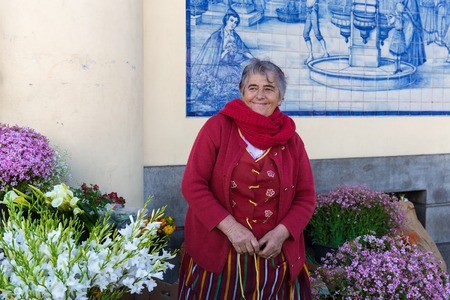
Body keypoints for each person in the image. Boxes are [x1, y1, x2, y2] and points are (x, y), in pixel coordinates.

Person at [178, 58, 316, 299]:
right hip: (220, 256)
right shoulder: (217, 128)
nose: (260, 95)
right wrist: (232, 229)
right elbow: (193, 185)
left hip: (274, 257)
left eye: (269, 88)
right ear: (242, 92)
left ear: (280, 97)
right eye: (253, 88)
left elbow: (305, 197)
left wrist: (282, 233)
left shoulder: (292, 140)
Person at [189, 8, 254, 110]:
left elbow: (244, 50)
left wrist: (255, 59)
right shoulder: (217, 36)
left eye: (236, 22)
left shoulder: (235, 36)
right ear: (226, 20)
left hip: (231, 65)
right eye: (232, 21)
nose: (234, 24)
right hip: (217, 66)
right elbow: (214, 58)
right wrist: (226, 51)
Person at [303, 0, 329, 64]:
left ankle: (326, 53)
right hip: (309, 11)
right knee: (305, 34)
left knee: (317, 33)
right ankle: (311, 55)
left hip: (313, 11)